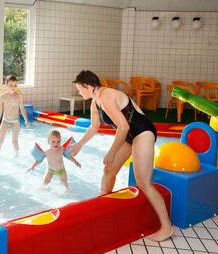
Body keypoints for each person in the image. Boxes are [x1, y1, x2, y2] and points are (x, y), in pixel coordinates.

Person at [70, 70, 172, 241]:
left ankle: (166, 228)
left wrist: (111, 152)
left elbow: (123, 127)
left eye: (80, 89)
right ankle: (103, 209)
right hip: (130, 136)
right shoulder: (95, 102)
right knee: (108, 170)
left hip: (142, 132)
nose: (79, 93)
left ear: (88, 86)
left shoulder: (106, 96)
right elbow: (93, 127)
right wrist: (79, 145)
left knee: (143, 182)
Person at [0, 75, 30, 155]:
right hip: (5, 120)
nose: (13, 87)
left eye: (15, 85)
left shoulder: (19, 96)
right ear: (6, 85)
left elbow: (22, 109)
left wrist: (26, 120)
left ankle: (17, 155)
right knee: (0, 140)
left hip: (15, 121)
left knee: (14, 141)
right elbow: (0, 111)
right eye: (11, 85)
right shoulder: (3, 97)